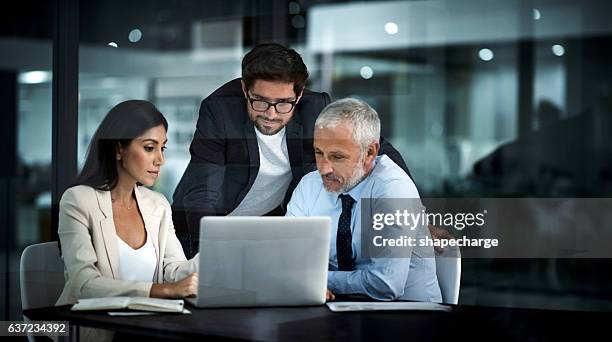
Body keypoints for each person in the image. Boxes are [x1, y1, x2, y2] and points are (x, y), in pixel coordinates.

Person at [172, 43, 411, 258]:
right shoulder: (220, 110)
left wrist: (415, 218)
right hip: (201, 231)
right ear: (245, 89)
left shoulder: (316, 108)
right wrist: (213, 250)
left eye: (283, 103)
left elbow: (380, 151)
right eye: (260, 100)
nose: (271, 114)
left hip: (266, 228)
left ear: (299, 94)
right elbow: (203, 192)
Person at [56, 100, 198, 340]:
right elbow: (84, 283)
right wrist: (160, 290)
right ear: (119, 149)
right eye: (149, 147)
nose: (160, 160)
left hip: (148, 327)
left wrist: (213, 261)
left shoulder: (158, 204)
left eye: (162, 148)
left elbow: (174, 269)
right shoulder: (78, 200)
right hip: (96, 331)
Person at [286, 98, 442, 302]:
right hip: (338, 310)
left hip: (407, 315)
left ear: (370, 152)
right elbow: (287, 259)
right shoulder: (310, 185)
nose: (323, 168)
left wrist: (316, 280)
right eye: (319, 153)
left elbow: (385, 284)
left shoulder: (393, 189)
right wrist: (298, 278)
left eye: (337, 157)